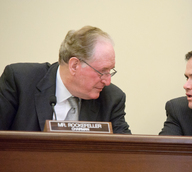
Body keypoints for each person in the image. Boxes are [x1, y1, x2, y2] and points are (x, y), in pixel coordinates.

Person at [0, 26, 131, 134]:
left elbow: (126, 152)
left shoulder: (112, 98)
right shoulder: (19, 81)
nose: (107, 81)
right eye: (102, 72)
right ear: (74, 65)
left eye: (110, 71)